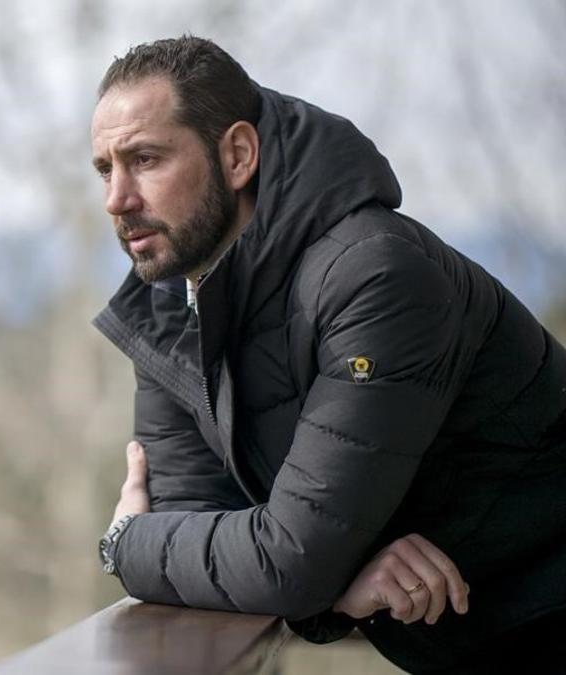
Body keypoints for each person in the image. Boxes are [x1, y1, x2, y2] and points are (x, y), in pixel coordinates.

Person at [90, 36, 566, 674]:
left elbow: (278, 560)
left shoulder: (376, 276)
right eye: (104, 169)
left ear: (236, 155)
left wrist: (124, 540)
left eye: (145, 159)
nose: (117, 199)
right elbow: (207, 529)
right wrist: (326, 587)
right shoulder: (171, 310)